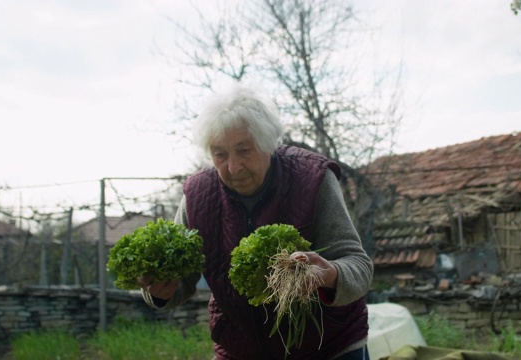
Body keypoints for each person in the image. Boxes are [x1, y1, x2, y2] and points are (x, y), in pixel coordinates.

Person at [138, 84, 373, 360]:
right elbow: (179, 282)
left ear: (268, 144)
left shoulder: (313, 179)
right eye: (220, 154)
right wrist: (158, 289)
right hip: (241, 350)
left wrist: (329, 274)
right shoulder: (197, 196)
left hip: (328, 347)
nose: (233, 167)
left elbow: (359, 265)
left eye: (244, 150)